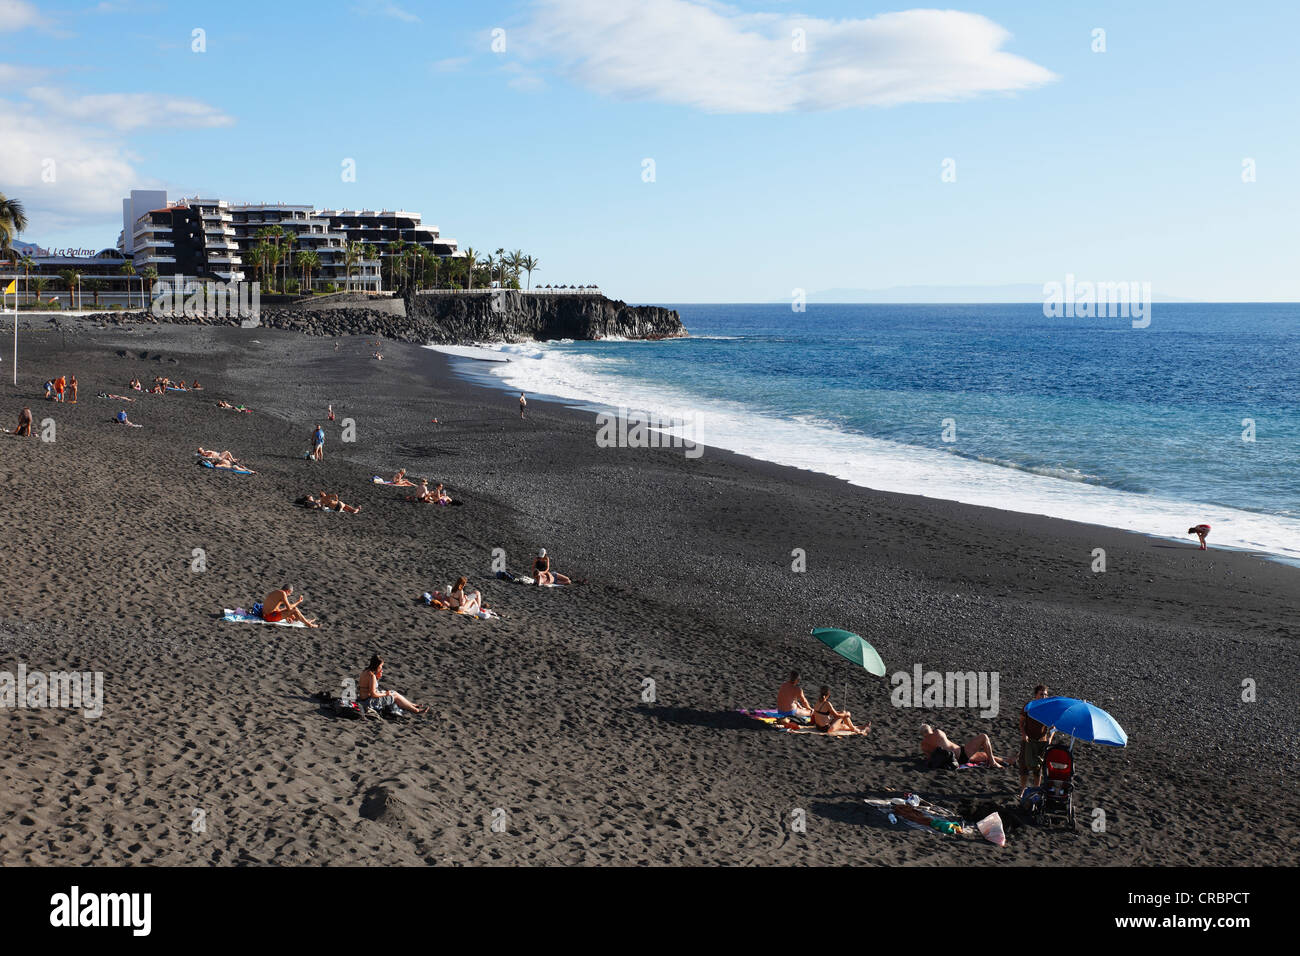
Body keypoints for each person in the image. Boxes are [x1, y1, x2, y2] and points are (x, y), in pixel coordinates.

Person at [358, 653, 425, 715]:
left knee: (393, 692)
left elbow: (367, 688)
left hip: (363, 699)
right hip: (369, 702)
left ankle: (411, 704)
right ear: (377, 666)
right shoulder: (371, 676)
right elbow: (373, 694)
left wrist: (377, 678)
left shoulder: (365, 672)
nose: (381, 668)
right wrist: (385, 694)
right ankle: (416, 710)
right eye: (381, 666)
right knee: (394, 695)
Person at [1017, 685, 1055, 794]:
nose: (1043, 696)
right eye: (1041, 694)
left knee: (1038, 768)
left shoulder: (1049, 709)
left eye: (1045, 694)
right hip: (1028, 741)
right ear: (1036, 695)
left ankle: (1036, 790)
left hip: (1041, 742)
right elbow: (1021, 723)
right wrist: (1024, 734)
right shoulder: (1029, 706)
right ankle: (1023, 789)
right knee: (1024, 765)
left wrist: (1050, 738)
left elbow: (1053, 726)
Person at [920, 724, 1009, 767]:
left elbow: (929, 758)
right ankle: (994, 762)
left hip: (951, 761)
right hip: (961, 754)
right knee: (984, 737)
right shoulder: (938, 732)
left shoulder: (923, 745)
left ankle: (1005, 761)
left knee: (983, 755)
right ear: (930, 729)